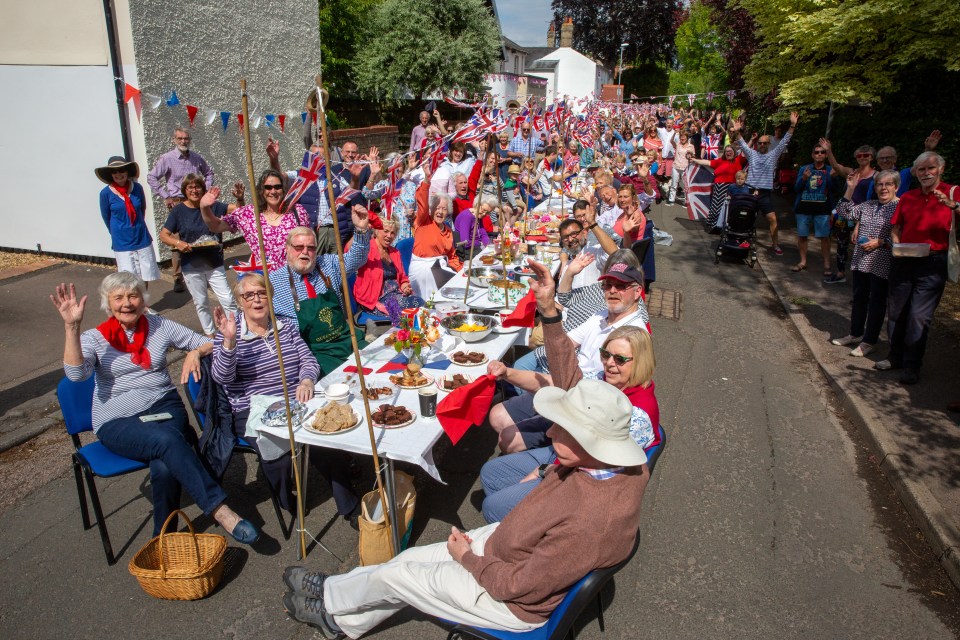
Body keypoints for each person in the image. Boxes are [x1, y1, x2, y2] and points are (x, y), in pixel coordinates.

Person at [281, 377, 649, 640]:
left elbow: (520, 587)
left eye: (565, 431)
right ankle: (344, 621)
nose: (551, 434)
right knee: (403, 564)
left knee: (398, 577)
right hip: (509, 549)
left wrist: (469, 559)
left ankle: (330, 596)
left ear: (595, 442)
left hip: (508, 598)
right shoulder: (619, 468)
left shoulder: (590, 519)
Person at [51, 272, 259, 544]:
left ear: (142, 299)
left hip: (163, 404)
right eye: (119, 298)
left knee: (163, 462)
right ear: (108, 303)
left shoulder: (159, 326)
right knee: (166, 441)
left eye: (133, 295)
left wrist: (194, 352)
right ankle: (220, 510)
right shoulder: (94, 338)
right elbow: (77, 375)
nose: (127, 303)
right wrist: (71, 327)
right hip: (116, 419)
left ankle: (163, 538)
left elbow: (210, 341)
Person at [211, 274, 360, 522]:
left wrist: (306, 380)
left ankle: (350, 507)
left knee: (326, 439)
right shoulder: (230, 333)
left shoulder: (285, 326)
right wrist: (229, 342)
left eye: (262, 293)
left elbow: (308, 360)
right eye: (249, 295)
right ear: (239, 301)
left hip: (295, 398)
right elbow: (221, 377)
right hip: (253, 408)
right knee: (277, 457)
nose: (256, 300)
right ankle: (285, 498)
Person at [481, 324, 659, 523]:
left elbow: (596, 468)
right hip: (568, 453)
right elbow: (556, 384)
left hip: (584, 480)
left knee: (493, 507)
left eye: (619, 359)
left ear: (640, 363)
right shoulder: (604, 380)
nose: (608, 363)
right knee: (491, 473)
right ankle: (515, 529)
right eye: (605, 354)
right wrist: (507, 373)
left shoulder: (638, 415)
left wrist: (544, 470)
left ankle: (519, 540)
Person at [489, 261, 649, 453]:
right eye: (607, 285)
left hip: (585, 408)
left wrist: (549, 311)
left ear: (638, 291)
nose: (612, 290)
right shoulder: (601, 316)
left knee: (508, 439)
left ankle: (546, 461)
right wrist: (548, 312)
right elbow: (563, 345)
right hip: (566, 385)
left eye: (621, 286)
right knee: (497, 415)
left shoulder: (632, 336)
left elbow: (576, 386)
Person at [875, 152, 958, 385]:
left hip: (933, 262)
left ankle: (912, 365)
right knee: (897, 311)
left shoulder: (952, 192)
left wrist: (955, 206)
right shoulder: (908, 197)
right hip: (904, 259)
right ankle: (895, 356)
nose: (926, 173)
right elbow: (896, 227)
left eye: (930, 168)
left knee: (919, 316)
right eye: (921, 170)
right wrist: (897, 244)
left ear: (941, 169)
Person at [270, 222, 371, 376]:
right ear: (287, 249)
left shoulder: (328, 264)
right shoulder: (273, 283)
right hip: (316, 353)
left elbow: (357, 258)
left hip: (347, 340)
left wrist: (361, 229)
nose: (305, 252)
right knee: (343, 383)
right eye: (299, 247)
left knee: (377, 367)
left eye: (310, 248)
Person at [828, 170, 900, 357]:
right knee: (859, 298)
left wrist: (881, 242)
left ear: (896, 187)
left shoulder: (900, 206)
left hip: (882, 262)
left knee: (876, 302)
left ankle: (869, 341)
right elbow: (844, 212)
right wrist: (850, 188)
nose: (883, 188)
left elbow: (903, 238)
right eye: (879, 184)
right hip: (861, 260)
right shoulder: (868, 205)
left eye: (888, 184)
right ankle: (855, 333)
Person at [159, 174, 238, 336]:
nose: (194, 190)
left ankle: (237, 330)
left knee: (228, 299)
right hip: (191, 264)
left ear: (203, 189)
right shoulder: (178, 211)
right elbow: (164, 235)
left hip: (214, 262)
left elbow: (239, 210)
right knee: (201, 302)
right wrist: (178, 244)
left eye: (197, 187)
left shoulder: (212, 205)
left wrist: (240, 198)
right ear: (184, 190)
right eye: (190, 187)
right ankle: (210, 334)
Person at [146, 129, 215, 292]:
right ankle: (178, 278)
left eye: (186, 138)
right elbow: (152, 177)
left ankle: (201, 271)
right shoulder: (167, 158)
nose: (183, 141)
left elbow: (209, 173)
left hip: (197, 203)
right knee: (176, 241)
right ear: (174, 139)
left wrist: (206, 190)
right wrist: (165, 195)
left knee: (199, 237)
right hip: (177, 203)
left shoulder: (196, 158)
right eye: (180, 138)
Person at [200, 171, 308, 271]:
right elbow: (216, 226)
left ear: (283, 189)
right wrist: (204, 207)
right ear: (261, 191)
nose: (273, 191)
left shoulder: (297, 211)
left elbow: (308, 243)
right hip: (264, 281)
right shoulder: (248, 214)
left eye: (277, 187)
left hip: (295, 277)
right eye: (268, 187)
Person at [729, 112, 799, 255]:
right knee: (745, 216)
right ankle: (741, 239)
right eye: (760, 143)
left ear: (769, 144)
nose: (761, 145)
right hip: (750, 191)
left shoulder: (773, 155)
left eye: (764, 143)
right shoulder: (752, 154)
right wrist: (736, 131)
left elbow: (785, 140)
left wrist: (792, 125)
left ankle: (775, 245)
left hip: (764, 193)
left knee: (772, 218)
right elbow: (741, 142)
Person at [818, 139, 878, 284]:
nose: (863, 158)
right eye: (860, 155)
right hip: (846, 213)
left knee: (864, 245)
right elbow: (835, 166)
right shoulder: (852, 172)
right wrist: (829, 151)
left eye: (866, 155)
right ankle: (840, 273)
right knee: (841, 244)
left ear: (871, 157)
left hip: (866, 216)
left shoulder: (877, 176)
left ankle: (865, 277)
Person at [96, 156, 162, 287]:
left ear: (127, 172)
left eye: (121, 170)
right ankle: (134, 304)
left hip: (141, 236)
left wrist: (136, 226)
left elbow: (142, 209)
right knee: (128, 277)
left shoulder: (137, 188)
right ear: (111, 175)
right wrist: (118, 231)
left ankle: (143, 303)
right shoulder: (105, 194)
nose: (118, 174)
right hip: (122, 240)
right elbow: (106, 217)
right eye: (114, 172)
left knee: (145, 273)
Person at [352, 218, 422, 315]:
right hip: (376, 298)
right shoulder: (366, 249)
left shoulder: (395, 252)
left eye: (392, 233)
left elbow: (402, 278)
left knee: (420, 302)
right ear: (376, 231)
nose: (389, 236)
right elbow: (349, 250)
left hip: (397, 294)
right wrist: (361, 230)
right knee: (409, 311)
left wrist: (405, 286)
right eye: (385, 231)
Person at [410, 180, 462, 299]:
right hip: (422, 270)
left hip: (439, 268)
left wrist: (461, 272)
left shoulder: (448, 231)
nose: (440, 211)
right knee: (446, 293)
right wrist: (427, 180)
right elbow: (422, 202)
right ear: (432, 209)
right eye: (437, 208)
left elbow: (452, 257)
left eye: (444, 209)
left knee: (457, 286)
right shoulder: (423, 221)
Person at [791, 145, 836, 275]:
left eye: (822, 152)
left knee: (825, 237)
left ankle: (827, 264)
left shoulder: (829, 170)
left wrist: (833, 178)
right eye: (816, 152)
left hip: (823, 209)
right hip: (803, 208)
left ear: (826, 155)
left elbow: (835, 190)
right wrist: (804, 179)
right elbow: (796, 189)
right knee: (802, 236)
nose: (819, 154)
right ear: (812, 155)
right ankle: (803, 262)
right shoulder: (804, 169)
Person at [687, 146, 746, 230]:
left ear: (734, 152)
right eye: (726, 151)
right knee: (715, 206)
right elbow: (707, 162)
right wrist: (694, 160)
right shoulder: (720, 161)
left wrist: (751, 140)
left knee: (725, 207)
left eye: (730, 151)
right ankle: (713, 224)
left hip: (730, 188)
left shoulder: (738, 160)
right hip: (718, 187)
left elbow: (746, 150)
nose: (728, 153)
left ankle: (721, 225)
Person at [669, 130, 696, 205]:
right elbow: (671, 141)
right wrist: (674, 133)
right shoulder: (678, 144)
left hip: (685, 168)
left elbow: (693, 156)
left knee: (685, 185)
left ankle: (686, 201)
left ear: (687, 138)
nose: (682, 138)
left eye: (684, 136)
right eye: (681, 136)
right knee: (674, 184)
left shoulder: (691, 146)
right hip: (676, 166)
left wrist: (691, 157)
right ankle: (671, 200)